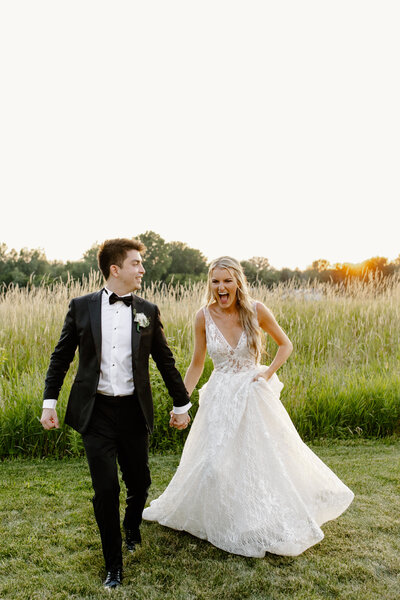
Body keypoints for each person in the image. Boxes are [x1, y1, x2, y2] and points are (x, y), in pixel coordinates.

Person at [143, 256, 354, 557]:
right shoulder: (203, 316)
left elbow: (285, 344)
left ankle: (259, 519)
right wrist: (181, 404)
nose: (221, 287)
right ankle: (223, 519)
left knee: (260, 460)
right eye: (215, 281)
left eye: (227, 280)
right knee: (215, 465)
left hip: (253, 394)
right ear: (210, 284)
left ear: (238, 282)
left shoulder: (257, 311)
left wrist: (266, 373)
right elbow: (197, 363)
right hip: (220, 396)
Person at [40, 238, 191, 589]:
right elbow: (60, 357)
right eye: (137, 263)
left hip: (133, 412)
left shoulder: (148, 311)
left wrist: (181, 404)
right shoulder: (81, 307)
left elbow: (165, 362)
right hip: (96, 413)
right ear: (115, 269)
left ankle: (132, 524)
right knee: (105, 489)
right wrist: (49, 402)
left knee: (139, 483)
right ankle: (114, 566)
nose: (142, 269)